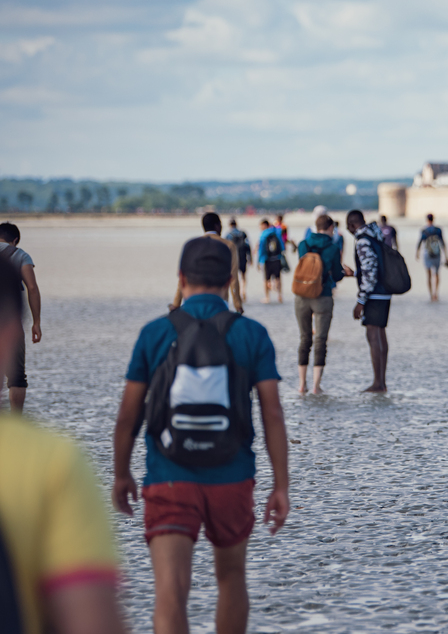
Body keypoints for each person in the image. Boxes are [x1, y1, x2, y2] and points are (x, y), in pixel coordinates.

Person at [111, 237, 289, 634]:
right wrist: (281, 485)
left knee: (170, 590)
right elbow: (272, 413)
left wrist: (121, 473)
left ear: (181, 277)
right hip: (233, 477)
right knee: (231, 578)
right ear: (230, 279)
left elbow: (128, 415)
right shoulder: (252, 334)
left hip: (168, 476)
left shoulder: (155, 333)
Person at [0, 257, 127, 634]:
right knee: (18, 378)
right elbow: (91, 618)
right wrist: (36, 320)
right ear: (9, 331)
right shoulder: (52, 461)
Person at [294, 214, 346, 395]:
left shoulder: (303, 245)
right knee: (320, 340)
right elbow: (337, 275)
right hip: (323, 296)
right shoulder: (333, 247)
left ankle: (302, 384)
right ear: (331, 227)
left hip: (301, 296)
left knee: (304, 338)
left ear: (316, 227)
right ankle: (316, 386)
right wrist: (343, 272)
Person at [346, 210, 392, 392]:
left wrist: (361, 301)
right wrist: (355, 274)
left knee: (373, 335)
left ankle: (378, 383)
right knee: (380, 334)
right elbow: (372, 267)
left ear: (351, 225)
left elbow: (370, 272)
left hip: (374, 294)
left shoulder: (363, 240)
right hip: (385, 291)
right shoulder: (376, 235)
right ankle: (381, 381)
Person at [0, 222, 41, 413]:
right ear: (14, 240)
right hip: (9, 322)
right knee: (16, 376)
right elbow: (32, 288)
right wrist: (36, 322)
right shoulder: (20, 255)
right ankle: (16, 423)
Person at [172, 212, 243, 314]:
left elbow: (183, 278)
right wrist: (238, 305)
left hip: (193, 301)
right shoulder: (229, 245)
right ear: (217, 226)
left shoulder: (192, 245)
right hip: (220, 302)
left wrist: (176, 304)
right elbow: (234, 277)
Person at [417, 214, 448, 302]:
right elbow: (443, 243)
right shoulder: (438, 230)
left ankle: (431, 294)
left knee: (428, 275)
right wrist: (446, 256)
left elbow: (420, 242)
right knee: (436, 273)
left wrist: (417, 253)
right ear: (433, 219)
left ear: (426, 220)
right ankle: (436, 293)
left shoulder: (424, 230)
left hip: (427, 253)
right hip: (437, 253)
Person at [257, 218, 285, 304]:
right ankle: (279, 295)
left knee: (266, 279)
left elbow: (261, 249)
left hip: (267, 260)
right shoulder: (276, 232)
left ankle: (267, 297)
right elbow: (282, 246)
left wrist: (259, 261)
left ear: (264, 225)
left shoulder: (263, 235)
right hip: (277, 258)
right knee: (278, 278)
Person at [225, 218, 253, 303]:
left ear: (230, 225)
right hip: (243, 256)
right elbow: (248, 245)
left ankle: (236, 293)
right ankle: (243, 290)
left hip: (233, 258)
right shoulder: (243, 233)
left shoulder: (228, 234)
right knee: (243, 276)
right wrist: (250, 258)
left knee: (234, 276)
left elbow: (226, 247)